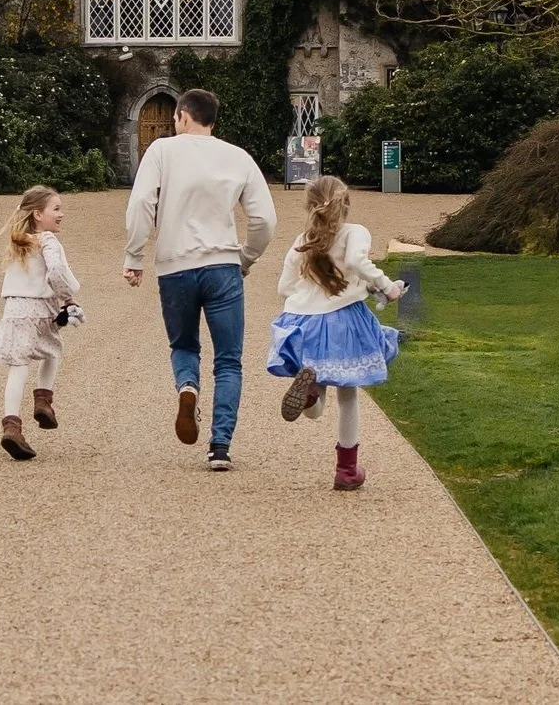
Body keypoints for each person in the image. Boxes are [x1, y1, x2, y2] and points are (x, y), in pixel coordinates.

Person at [124, 88, 277, 471]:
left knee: (184, 344)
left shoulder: (162, 151)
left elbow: (142, 202)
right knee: (229, 360)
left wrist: (134, 255)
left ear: (182, 116)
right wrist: (246, 257)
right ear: (211, 120)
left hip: (175, 265)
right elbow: (264, 220)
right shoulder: (237, 156)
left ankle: (187, 387)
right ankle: (220, 446)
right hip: (222, 265)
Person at [268, 176, 404, 491]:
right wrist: (385, 287)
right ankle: (346, 470)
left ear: (309, 206)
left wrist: (314, 290)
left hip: (304, 321)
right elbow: (356, 260)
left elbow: (284, 287)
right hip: (342, 321)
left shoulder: (302, 240)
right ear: (345, 204)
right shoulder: (355, 232)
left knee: (318, 404)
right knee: (348, 393)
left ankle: (311, 393)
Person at [0, 185, 83, 461]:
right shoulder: (47, 240)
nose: (61, 214)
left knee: (18, 365)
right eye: (56, 209)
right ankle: (43, 400)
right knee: (52, 351)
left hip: (15, 308)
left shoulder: (18, 241)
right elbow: (57, 271)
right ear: (38, 214)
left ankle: (12, 425)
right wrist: (68, 300)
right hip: (38, 307)